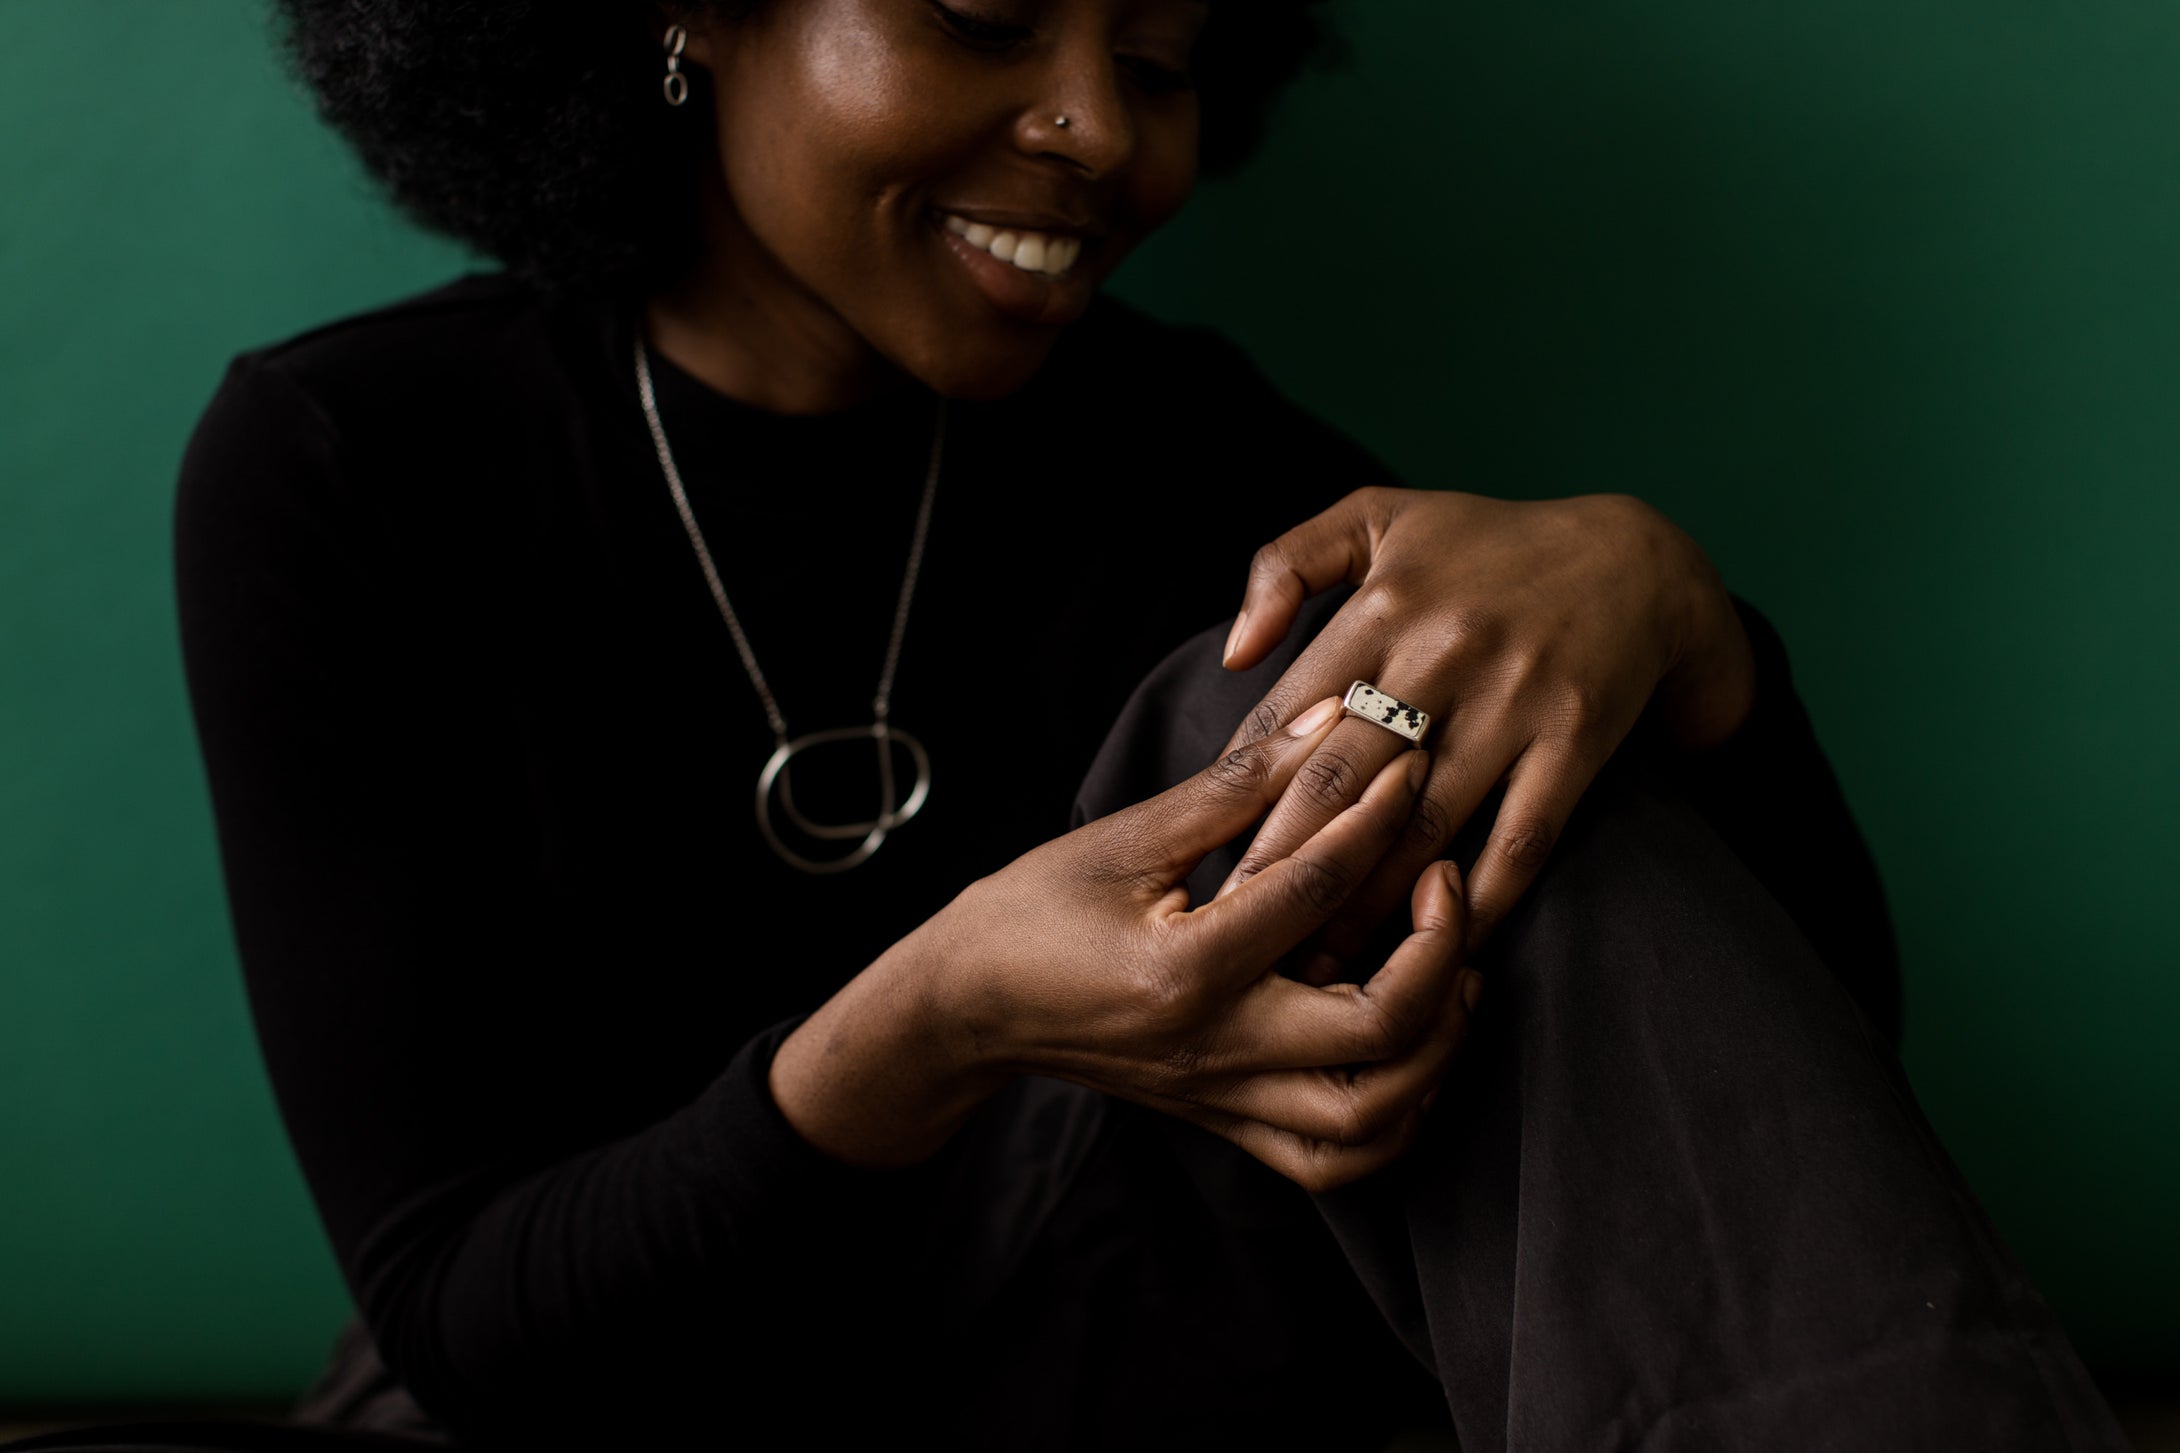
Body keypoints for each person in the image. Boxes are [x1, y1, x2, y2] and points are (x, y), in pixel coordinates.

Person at [8, 2, 2122, 1450]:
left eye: (1166, 58)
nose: (1104, 132)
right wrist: (938, 1018)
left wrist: (1672, 618)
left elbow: (1734, 1119)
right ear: (688, 8)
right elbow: (475, 1318)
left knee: (1397, 684)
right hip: (597, 1386)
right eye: (984, 12)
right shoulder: (353, 465)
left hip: (1120, 1366)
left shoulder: (1220, 476)